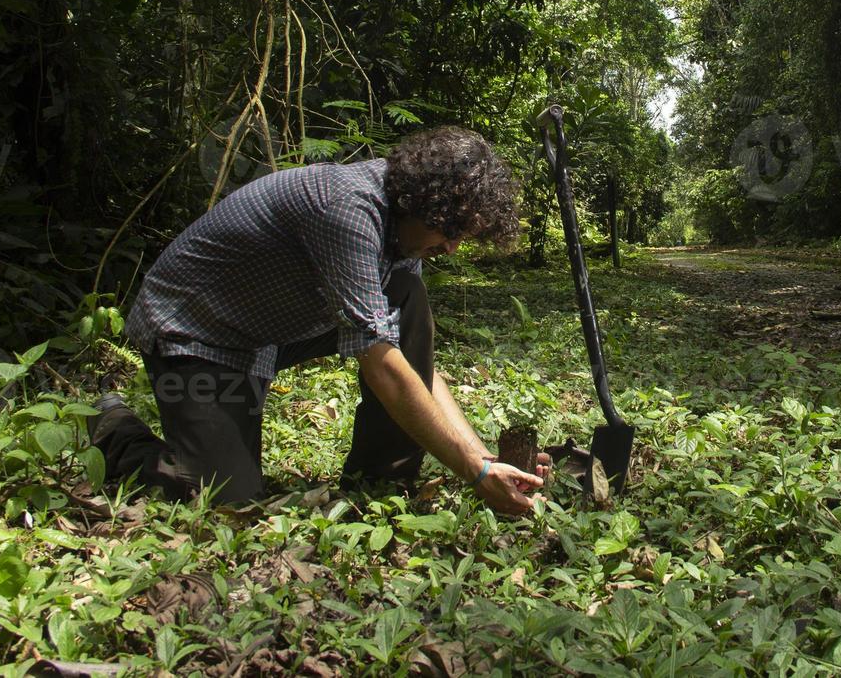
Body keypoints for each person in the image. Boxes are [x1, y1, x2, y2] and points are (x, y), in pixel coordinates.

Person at [88, 126, 548, 515]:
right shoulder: (346, 209)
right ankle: (116, 432)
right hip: (194, 331)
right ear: (420, 203)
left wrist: (482, 457)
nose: (451, 248)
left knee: (409, 299)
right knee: (227, 502)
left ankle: (382, 479)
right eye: (448, 232)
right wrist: (475, 470)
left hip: (265, 329)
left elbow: (416, 370)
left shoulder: (405, 238)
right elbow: (383, 365)